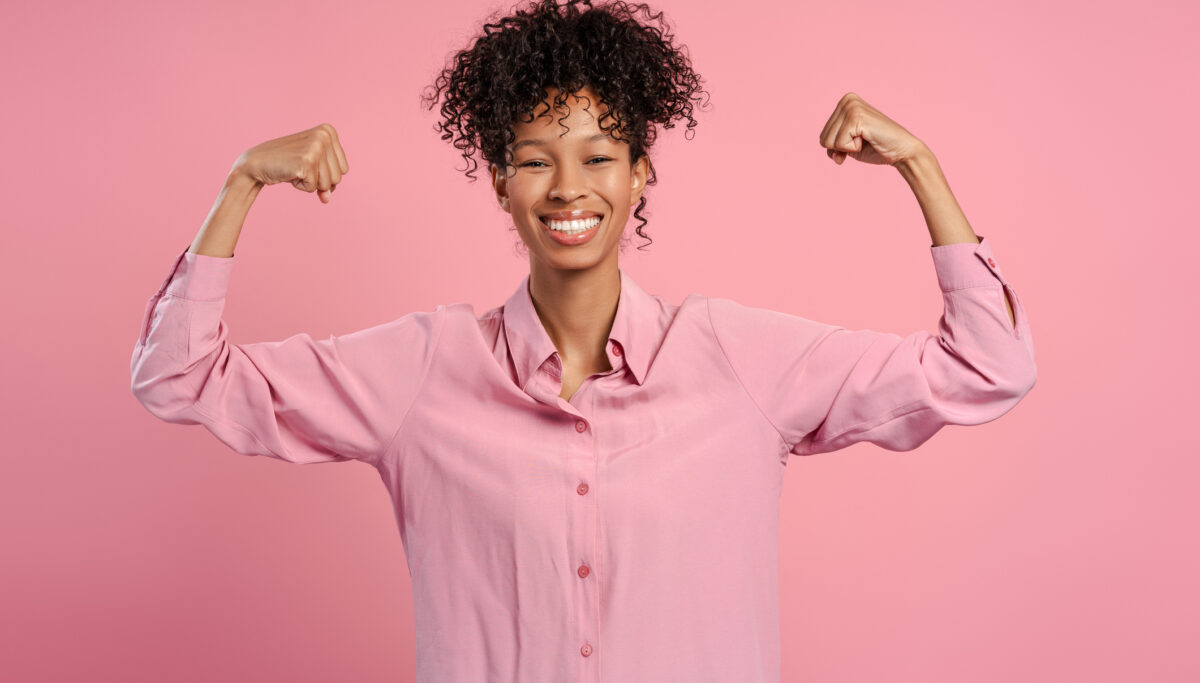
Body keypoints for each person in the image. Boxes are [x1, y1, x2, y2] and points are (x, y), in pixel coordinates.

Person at [129, 0, 1036, 680]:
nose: (569, 188)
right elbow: (177, 377)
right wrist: (241, 182)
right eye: (534, 159)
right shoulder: (422, 370)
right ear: (499, 179)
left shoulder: (739, 359)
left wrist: (920, 166)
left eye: (599, 156)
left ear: (642, 170)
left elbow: (985, 367)